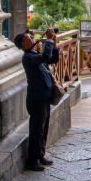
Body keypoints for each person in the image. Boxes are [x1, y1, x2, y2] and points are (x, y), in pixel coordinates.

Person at [14, 29, 59, 172]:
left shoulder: (34, 54)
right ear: (23, 43)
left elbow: (52, 59)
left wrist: (54, 44)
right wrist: (50, 41)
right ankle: (32, 161)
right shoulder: (28, 57)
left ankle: (40, 155)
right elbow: (45, 57)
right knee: (36, 131)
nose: (32, 38)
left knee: (43, 129)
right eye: (28, 37)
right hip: (36, 99)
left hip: (44, 96)